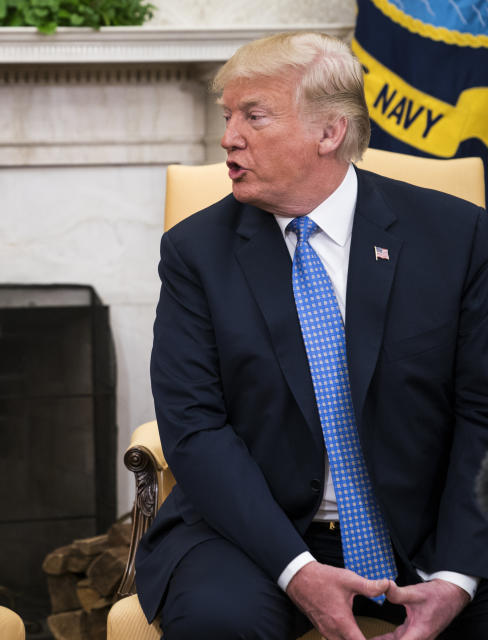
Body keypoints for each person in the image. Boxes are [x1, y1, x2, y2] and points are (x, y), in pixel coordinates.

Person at [135, 32, 488, 640]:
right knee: (219, 624)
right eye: (228, 116)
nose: (229, 138)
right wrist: (298, 570)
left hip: (427, 524)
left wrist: (456, 576)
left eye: (254, 116)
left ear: (330, 132)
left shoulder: (456, 237)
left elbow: (483, 414)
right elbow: (194, 427)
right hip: (251, 534)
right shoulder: (194, 252)